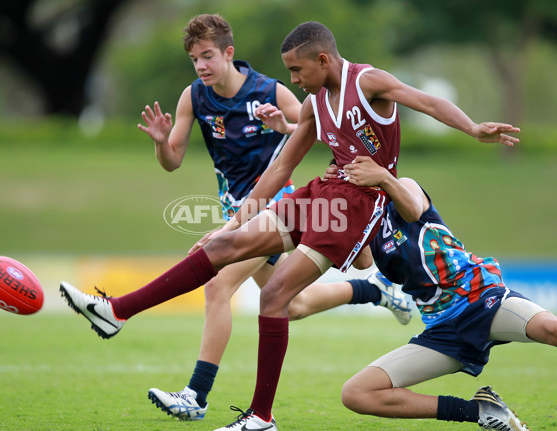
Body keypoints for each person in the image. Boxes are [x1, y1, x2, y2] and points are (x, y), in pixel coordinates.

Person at [59, 21, 519, 431]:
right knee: (222, 249)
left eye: (297, 71)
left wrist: (473, 128)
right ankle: (116, 311)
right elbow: (279, 171)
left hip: (358, 206)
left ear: (323, 59)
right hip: (323, 192)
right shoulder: (317, 103)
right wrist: (234, 223)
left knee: (275, 295)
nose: (293, 81)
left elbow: (429, 102)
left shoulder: (368, 81)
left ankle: (260, 417)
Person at [90, 13, 414, 423]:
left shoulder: (274, 89)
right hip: (237, 206)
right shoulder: (194, 97)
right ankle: (375, 293)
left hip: (273, 201)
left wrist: (286, 125)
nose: (201, 66)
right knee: (288, 305)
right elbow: (172, 161)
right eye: (195, 59)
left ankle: (196, 393)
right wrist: (160, 144)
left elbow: (317, 124)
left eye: (208, 56)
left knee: (218, 284)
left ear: (228, 53)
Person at [309, 156, 556, 431]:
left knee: (550, 328)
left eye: (353, 171)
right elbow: (362, 261)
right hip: (442, 327)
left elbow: (413, 210)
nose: (350, 178)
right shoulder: (364, 225)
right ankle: (482, 411)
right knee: (357, 393)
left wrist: (383, 177)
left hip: (479, 297)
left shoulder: (403, 187)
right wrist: (334, 201)